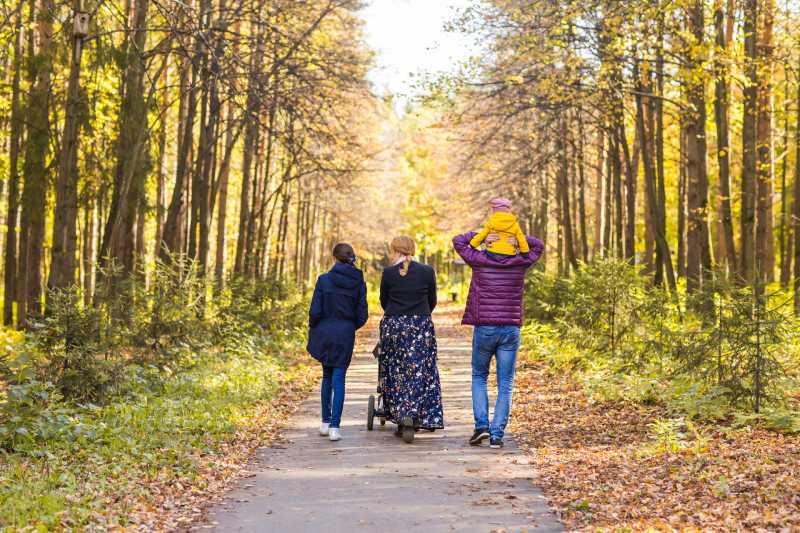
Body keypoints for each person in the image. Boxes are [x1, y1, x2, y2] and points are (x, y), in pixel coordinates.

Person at [452, 230, 544, 449]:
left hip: (485, 327)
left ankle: (481, 426)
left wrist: (485, 235)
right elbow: (537, 246)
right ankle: (497, 435)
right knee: (506, 383)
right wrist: (518, 237)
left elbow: (459, 241)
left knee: (479, 376)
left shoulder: (479, 259)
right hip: (510, 329)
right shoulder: (520, 261)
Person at [378, 236, 444, 439]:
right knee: (421, 371)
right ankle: (418, 414)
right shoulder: (427, 271)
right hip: (420, 326)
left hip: (395, 326)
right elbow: (432, 300)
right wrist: (419, 315)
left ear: (394, 250)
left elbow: (384, 301)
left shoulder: (388, 273)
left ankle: (402, 414)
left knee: (396, 372)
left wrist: (398, 315)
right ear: (412, 250)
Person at [307, 243, 369, 442]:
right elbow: (362, 314)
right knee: (339, 378)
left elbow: (315, 311)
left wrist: (315, 326)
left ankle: (325, 422)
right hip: (345, 332)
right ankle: (335, 427)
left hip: (325, 330)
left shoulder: (324, 280)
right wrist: (350, 326)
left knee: (327, 376)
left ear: (334, 258)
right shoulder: (359, 282)